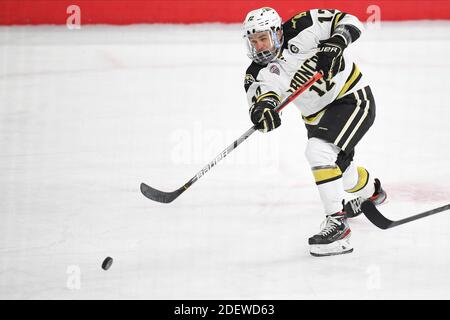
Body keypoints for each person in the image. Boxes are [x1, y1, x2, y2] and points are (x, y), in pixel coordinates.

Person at [242, 7, 387, 257]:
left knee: (318, 151)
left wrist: (337, 41)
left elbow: (349, 21)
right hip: (318, 117)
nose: (259, 47)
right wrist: (263, 111)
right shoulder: (256, 72)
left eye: (263, 38)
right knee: (343, 172)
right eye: (254, 41)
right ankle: (371, 192)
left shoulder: (305, 25)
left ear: (278, 32)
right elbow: (262, 99)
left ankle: (338, 226)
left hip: (352, 97)